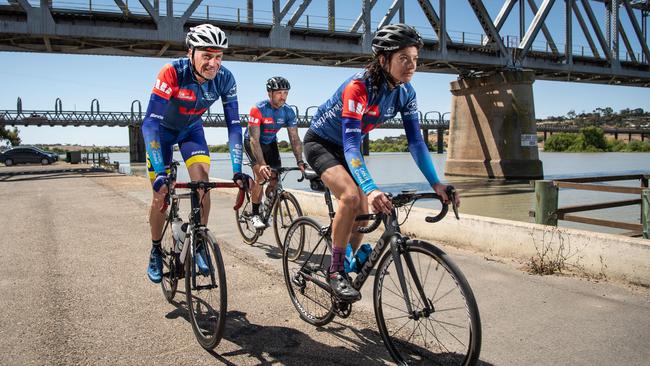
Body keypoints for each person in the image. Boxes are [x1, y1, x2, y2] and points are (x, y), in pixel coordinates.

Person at [303, 24, 460, 301]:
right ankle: (336, 270)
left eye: (415, 59)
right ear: (383, 59)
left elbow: (416, 143)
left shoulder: (405, 92)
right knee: (353, 197)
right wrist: (371, 187)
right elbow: (352, 144)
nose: (411, 66)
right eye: (404, 59)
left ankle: (348, 256)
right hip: (322, 143)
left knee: (362, 213)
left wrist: (436, 183)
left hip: (346, 148)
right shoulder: (358, 87)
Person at [142, 24, 249, 284]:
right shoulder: (172, 73)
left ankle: (199, 240)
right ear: (191, 52)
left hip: (191, 131)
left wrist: (237, 169)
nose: (214, 63)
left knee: (203, 183)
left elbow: (234, 126)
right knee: (161, 194)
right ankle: (156, 249)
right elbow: (150, 124)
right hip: (163, 133)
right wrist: (159, 173)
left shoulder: (225, 79)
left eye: (219, 56)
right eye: (207, 56)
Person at [244, 76, 306, 229]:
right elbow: (254, 140)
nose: (283, 96)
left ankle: (267, 206)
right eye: (279, 93)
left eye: (285, 93)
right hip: (253, 143)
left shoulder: (288, 112)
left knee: (275, 177)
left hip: (270, 143)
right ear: (269, 93)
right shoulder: (258, 109)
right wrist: (263, 164)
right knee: (260, 175)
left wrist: (300, 161)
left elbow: (294, 138)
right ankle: (255, 214)